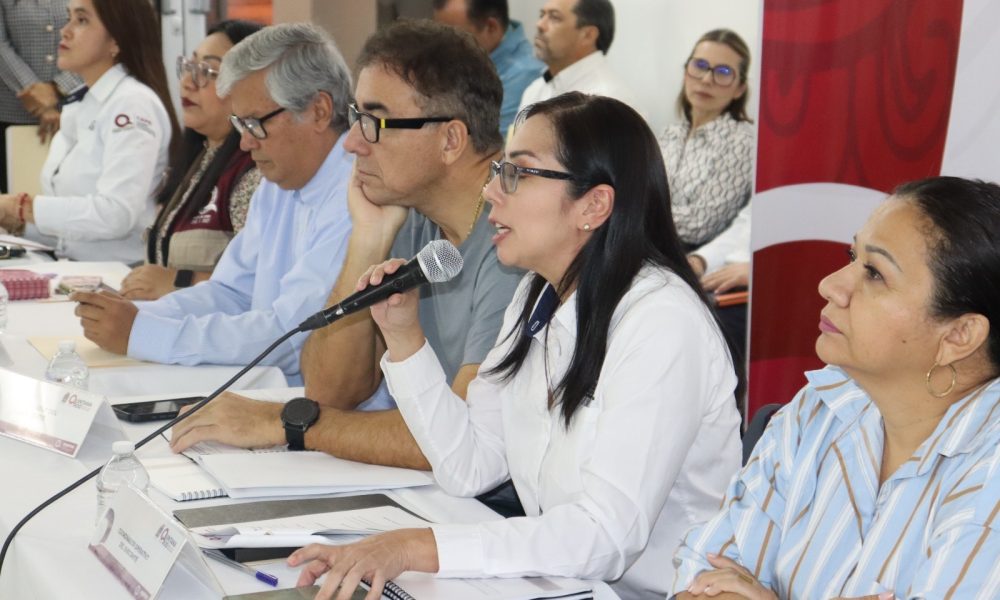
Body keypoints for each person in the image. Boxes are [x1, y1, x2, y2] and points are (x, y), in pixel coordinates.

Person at [286, 93, 742, 600]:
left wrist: (417, 547)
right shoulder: (536, 294)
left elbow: (606, 536)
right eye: (499, 170)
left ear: (594, 205)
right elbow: (470, 466)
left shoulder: (662, 321)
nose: (490, 192)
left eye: (517, 174)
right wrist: (404, 338)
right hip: (563, 583)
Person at [167, 20, 524, 510]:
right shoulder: (414, 216)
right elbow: (332, 390)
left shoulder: (516, 241)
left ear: (450, 140)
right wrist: (367, 240)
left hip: (498, 514)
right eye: (356, 117)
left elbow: (455, 442)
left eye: (374, 121)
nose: (352, 143)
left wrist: (287, 424)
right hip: (435, 497)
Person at [672, 177, 1000, 599]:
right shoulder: (825, 403)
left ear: (959, 335)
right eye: (852, 256)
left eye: (875, 273)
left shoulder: (990, 474)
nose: (831, 285)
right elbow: (702, 574)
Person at [71, 23, 354, 386]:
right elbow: (231, 291)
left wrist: (146, 333)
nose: (245, 143)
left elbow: (293, 334)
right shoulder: (280, 183)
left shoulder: (354, 193)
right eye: (240, 124)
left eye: (255, 123)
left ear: (319, 111)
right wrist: (138, 315)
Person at [0, 0, 180, 263]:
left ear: (116, 40)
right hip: (79, 268)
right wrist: (16, 223)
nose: (65, 31)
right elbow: (76, 234)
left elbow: (116, 215)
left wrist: (22, 207)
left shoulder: (131, 104)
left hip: (121, 274)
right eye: (69, 18)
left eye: (81, 20)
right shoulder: (84, 102)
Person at [119, 20, 264, 301]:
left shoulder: (253, 172)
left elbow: (260, 282)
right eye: (189, 66)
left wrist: (180, 281)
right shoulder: (199, 158)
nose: (188, 82)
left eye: (208, 71)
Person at [659, 29, 754, 250]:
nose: (707, 79)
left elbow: (700, 225)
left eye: (723, 72)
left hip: (692, 259)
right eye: (700, 65)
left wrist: (636, 213)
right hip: (646, 250)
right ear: (686, 72)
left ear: (739, 89)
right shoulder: (668, 134)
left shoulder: (742, 143)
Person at [0, 0, 82, 192]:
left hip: (78, 111)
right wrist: (36, 95)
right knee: (17, 197)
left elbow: (103, 41)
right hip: (13, 114)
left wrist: (58, 87)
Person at [432, 0, 542, 136]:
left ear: (491, 27)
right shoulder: (464, 60)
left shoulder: (524, 75)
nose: (443, 47)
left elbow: (491, 143)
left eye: (454, 37)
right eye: (439, 33)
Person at [518, 0, 637, 113]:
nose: (539, 24)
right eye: (541, 15)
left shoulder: (610, 101)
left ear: (588, 35)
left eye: (554, 17)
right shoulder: (535, 90)